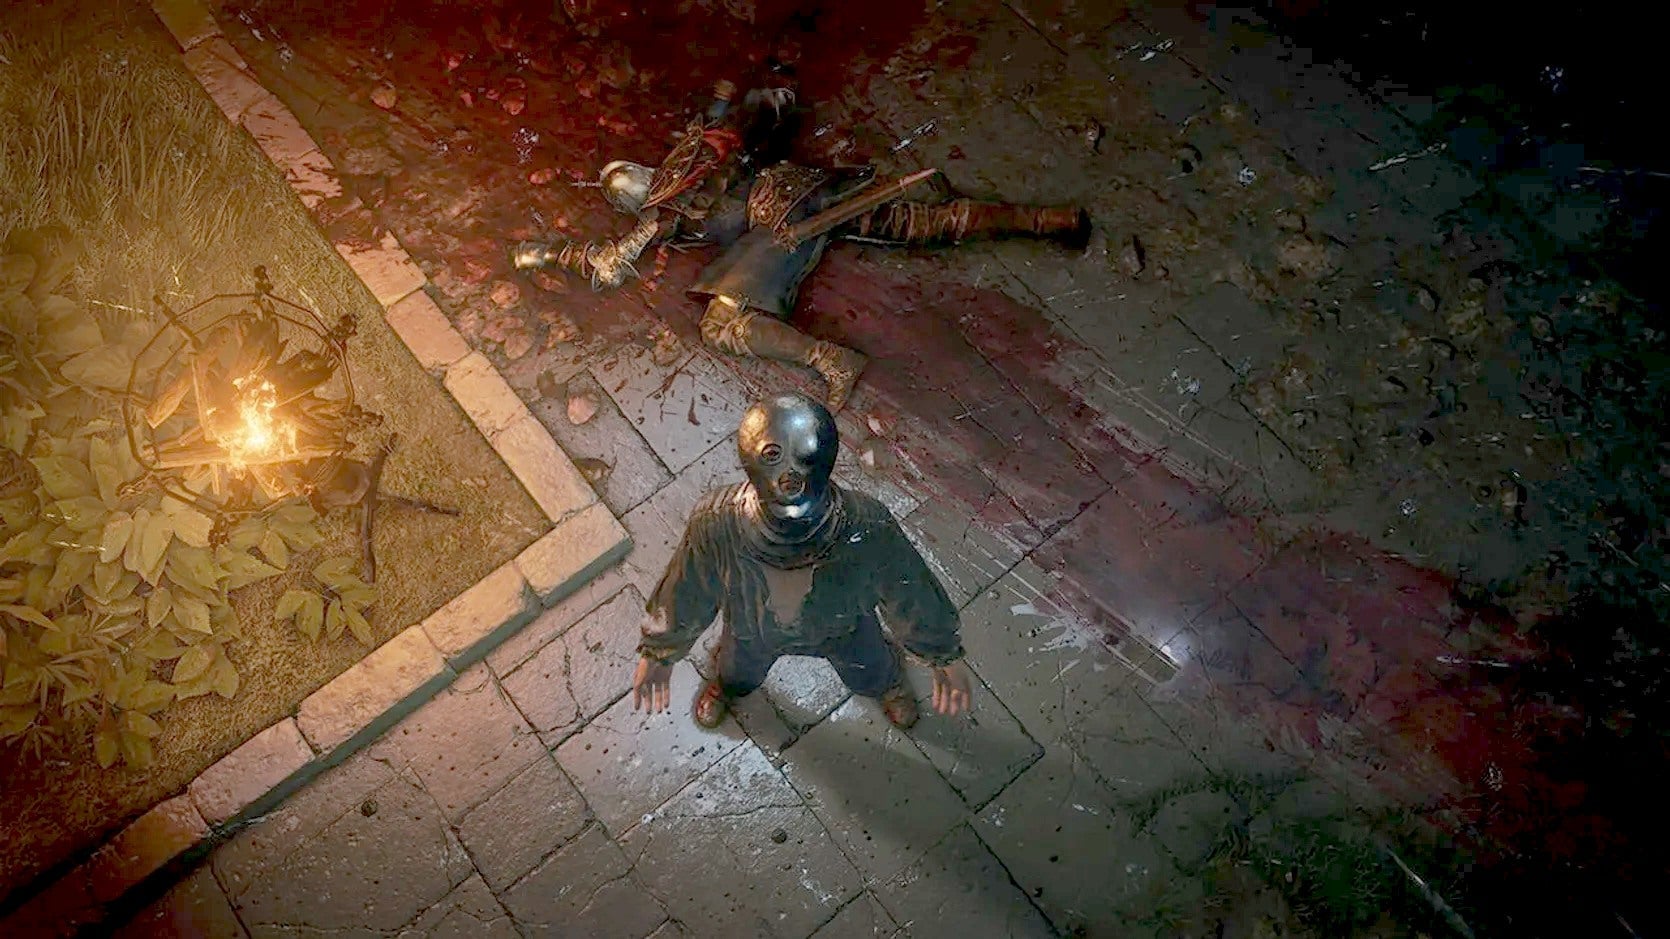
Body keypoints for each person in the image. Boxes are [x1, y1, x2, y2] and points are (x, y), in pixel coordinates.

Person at [512, 74, 1090, 412]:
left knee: (722, 325)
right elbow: (750, 113)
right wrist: (771, 95)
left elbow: (611, 267)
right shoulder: (692, 154)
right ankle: (1050, 220)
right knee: (914, 222)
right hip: (795, 186)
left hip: (776, 225)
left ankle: (833, 360)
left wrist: (551, 255)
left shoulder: (659, 215)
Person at [630, 391, 974, 729]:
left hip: (844, 628)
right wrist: (660, 650)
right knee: (737, 672)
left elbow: (909, 589)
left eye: (804, 456)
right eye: (773, 455)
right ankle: (728, 687)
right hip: (753, 628)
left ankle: (887, 684)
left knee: (870, 670)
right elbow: (687, 588)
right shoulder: (717, 523)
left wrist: (941, 652)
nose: (789, 477)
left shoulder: (866, 525)